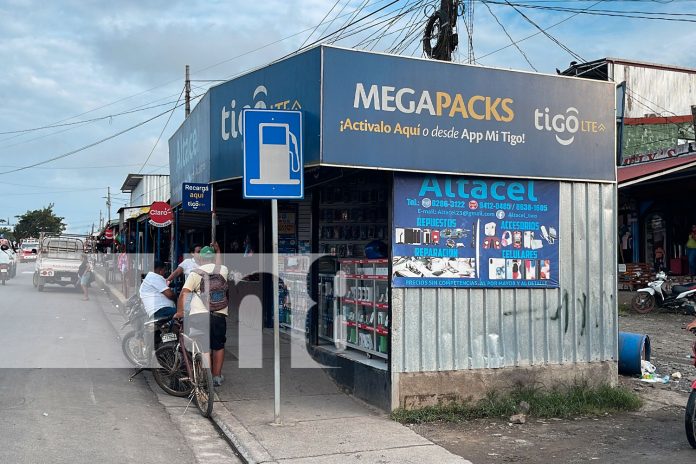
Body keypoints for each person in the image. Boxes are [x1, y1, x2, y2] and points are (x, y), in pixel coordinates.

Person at [175, 245, 229, 387]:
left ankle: (205, 378)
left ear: (200, 259)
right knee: (218, 346)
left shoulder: (195, 273)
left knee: (203, 347)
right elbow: (217, 266)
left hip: (199, 314)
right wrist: (218, 250)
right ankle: (216, 377)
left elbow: (184, 293)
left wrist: (180, 311)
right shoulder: (223, 270)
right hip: (219, 313)